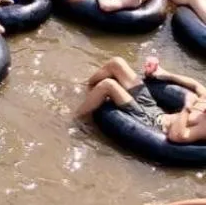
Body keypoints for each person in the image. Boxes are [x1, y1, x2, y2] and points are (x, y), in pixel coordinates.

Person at [76, 54, 206, 143]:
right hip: (155, 110)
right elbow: (195, 84)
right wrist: (164, 74)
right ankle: (85, 87)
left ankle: (75, 120)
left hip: (152, 124)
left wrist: (187, 107)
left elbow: (177, 136)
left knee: (108, 85)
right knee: (117, 63)